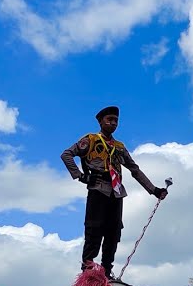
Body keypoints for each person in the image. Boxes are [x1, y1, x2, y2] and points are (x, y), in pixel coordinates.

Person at [61, 105, 169, 274]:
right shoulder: (90, 139)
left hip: (116, 191)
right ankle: (88, 268)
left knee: (114, 231)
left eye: (116, 121)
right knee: (94, 229)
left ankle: (106, 270)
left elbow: (134, 169)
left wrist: (154, 190)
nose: (113, 123)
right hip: (98, 188)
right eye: (109, 120)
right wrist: (81, 176)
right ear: (101, 122)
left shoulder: (119, 146)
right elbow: (66, 154)